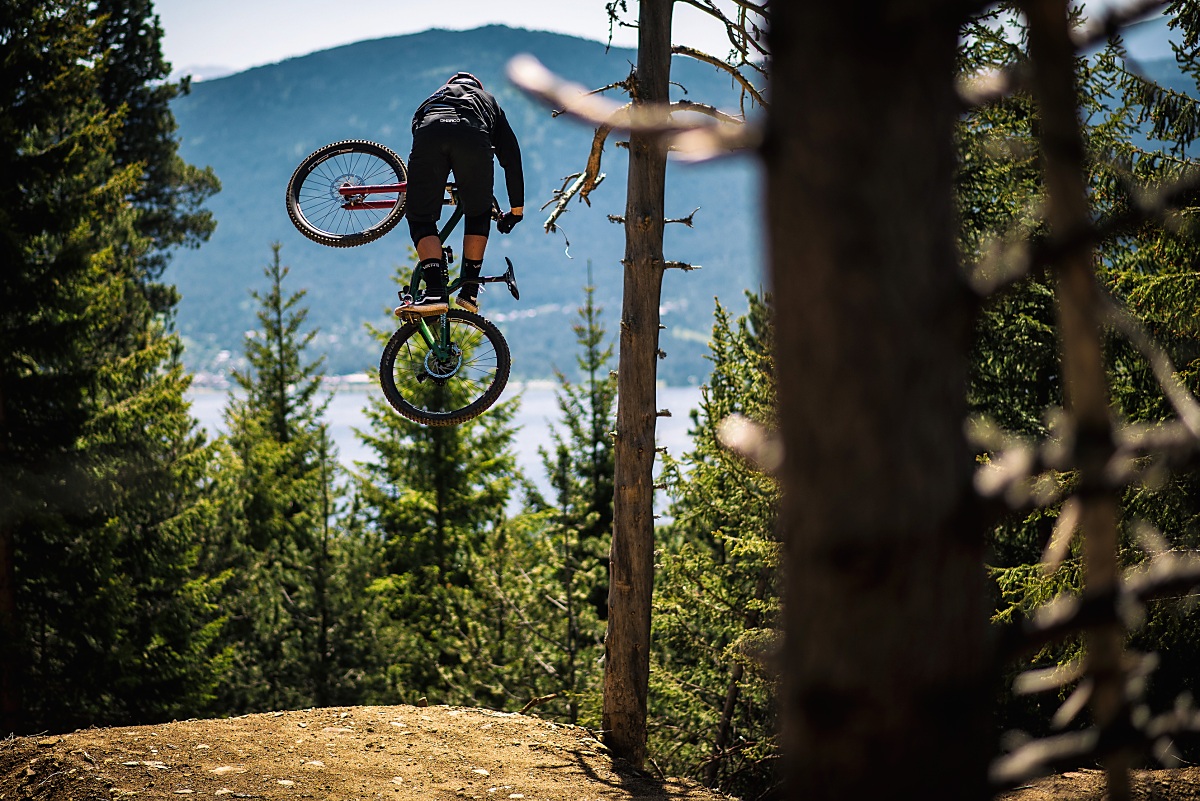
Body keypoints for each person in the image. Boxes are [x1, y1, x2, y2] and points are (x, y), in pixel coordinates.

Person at [398, 71, 524, 316]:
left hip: (430, 131)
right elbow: (511, 157)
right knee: (478, 212)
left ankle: (434, 290)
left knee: (421, 218)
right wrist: (516, 211)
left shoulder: (433, 99)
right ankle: (469, 291)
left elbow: (418, 131)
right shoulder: (488, 101)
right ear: (478, 86)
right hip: (473, 133)